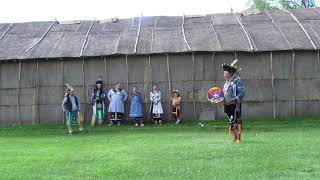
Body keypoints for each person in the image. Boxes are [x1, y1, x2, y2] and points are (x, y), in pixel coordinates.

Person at [222, 59, 245, 144]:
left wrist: (235, 99)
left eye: (225, 73)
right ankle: (234, 137)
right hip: (227, 105)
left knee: (237, 121)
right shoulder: (226, 83)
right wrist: (221, 100)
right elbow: (224, 94)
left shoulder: (237, 81)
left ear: (230, 74)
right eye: (224, 73)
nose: (224, 75)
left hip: (235, 105)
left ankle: (238, 138)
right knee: (231, 122)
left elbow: (242, 92)